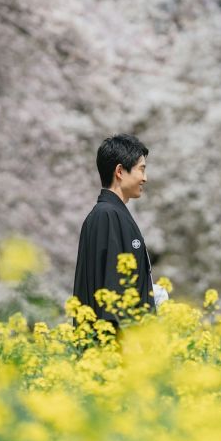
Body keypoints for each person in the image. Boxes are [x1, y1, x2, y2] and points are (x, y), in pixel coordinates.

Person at [73, 134, 166, 325]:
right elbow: (113, 294)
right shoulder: (107, 216)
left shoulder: (108, 214)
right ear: (120, 171)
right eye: (141, 170)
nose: (145, 178)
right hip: (117, 348)